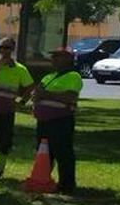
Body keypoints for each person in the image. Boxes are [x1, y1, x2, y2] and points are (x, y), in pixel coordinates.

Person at [31, 46, 82, 194]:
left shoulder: (73, 76)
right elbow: (36, 94)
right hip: (44, 121)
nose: (53, 59)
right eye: (53, 56)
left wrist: (46, 94)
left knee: (63, 152)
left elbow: (69, 97)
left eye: (57, 56)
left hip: (61, 120)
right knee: (44, 152)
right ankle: (42, 179)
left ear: (68, 59)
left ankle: (66, 185)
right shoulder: (49, 77)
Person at [0, 36, 34, 178]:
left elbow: (30, 88)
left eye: (7, 48)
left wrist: (21, 102)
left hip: (5, 112)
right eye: (0, 47)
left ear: (12, 50)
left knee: (3, 143)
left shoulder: (20, 69)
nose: (3, 51)